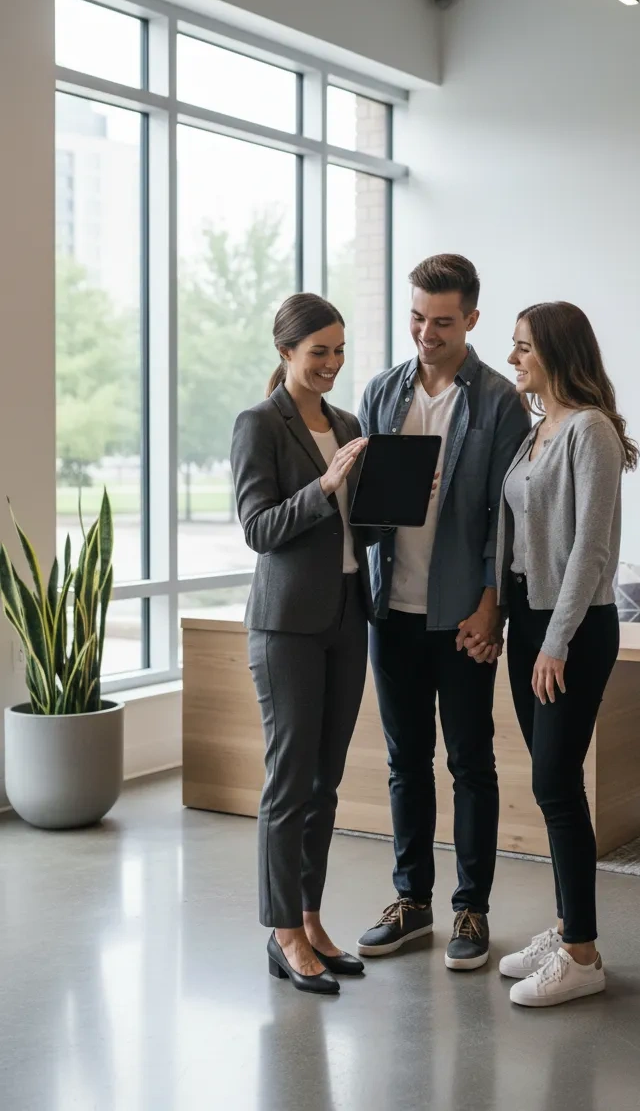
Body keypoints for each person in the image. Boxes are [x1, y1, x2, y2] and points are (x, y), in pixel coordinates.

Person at [356, 254, 531, 970]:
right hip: (390, 611)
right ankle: (412, 902)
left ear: (473, 320)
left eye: (443, 322)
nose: (426, 334)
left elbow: (507, 517)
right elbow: (363, 506)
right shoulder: (380, 393)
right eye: (417, 319)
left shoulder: (497, 401)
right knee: (405, 763)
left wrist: (493, 607)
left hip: (462, 615)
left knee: (470, 763)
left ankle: (471, 910)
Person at [492, 301, 639, 1008]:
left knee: (554, 782)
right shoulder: (535, 432)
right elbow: (512, 538)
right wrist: (501, 616)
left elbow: (592, 548)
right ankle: (567, 928)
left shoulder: (590, 430)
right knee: (551, 785)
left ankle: (582, 955)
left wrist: (555, 642)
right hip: (528, 620)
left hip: (574, 627)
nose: (513, 358)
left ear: (556, 352)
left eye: (524, 348)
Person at [230, 292, 376, 996]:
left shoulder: (347, 422)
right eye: (318, 350)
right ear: (286, 351)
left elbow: (358, 529)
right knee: (289, 784)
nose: (332, 363)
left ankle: (312, 920)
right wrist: (326, 484)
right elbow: (259, 528)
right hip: (285, 626)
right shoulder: (259, 423)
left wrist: (402, 496)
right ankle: (282, 930)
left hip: (349, 617)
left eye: (339, 349)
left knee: (326, 784)